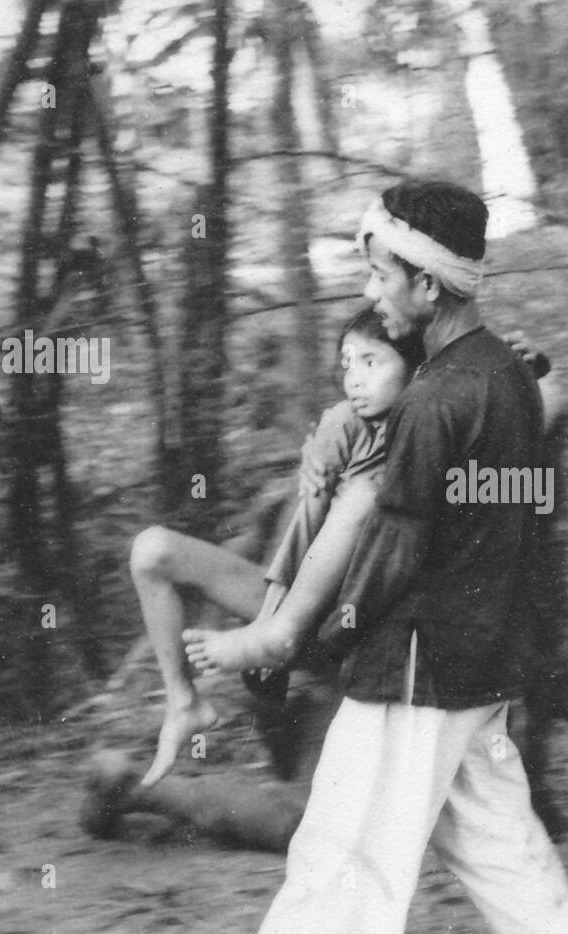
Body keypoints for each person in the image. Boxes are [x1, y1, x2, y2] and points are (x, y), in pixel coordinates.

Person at [240, 179, 568, 934]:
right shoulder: (509, 377)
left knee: (338, 864)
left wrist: (321, 638)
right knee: (508, 862)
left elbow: (394, 554)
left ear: (428, 284)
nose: (372, 292)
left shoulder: (432, 401)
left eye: (381, 276)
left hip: (413, 670)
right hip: (476, 665)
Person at [128, 307, 423, 789]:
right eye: (348, 364)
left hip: (358, 643)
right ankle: (185, 703)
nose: (355, 379)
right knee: (151, 551)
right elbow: (302, 526)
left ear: (414, 371)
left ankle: (276, 649)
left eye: (372, 362)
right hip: (292, 618)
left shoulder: (428, 434)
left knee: (307, 817)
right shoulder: (344, 427)